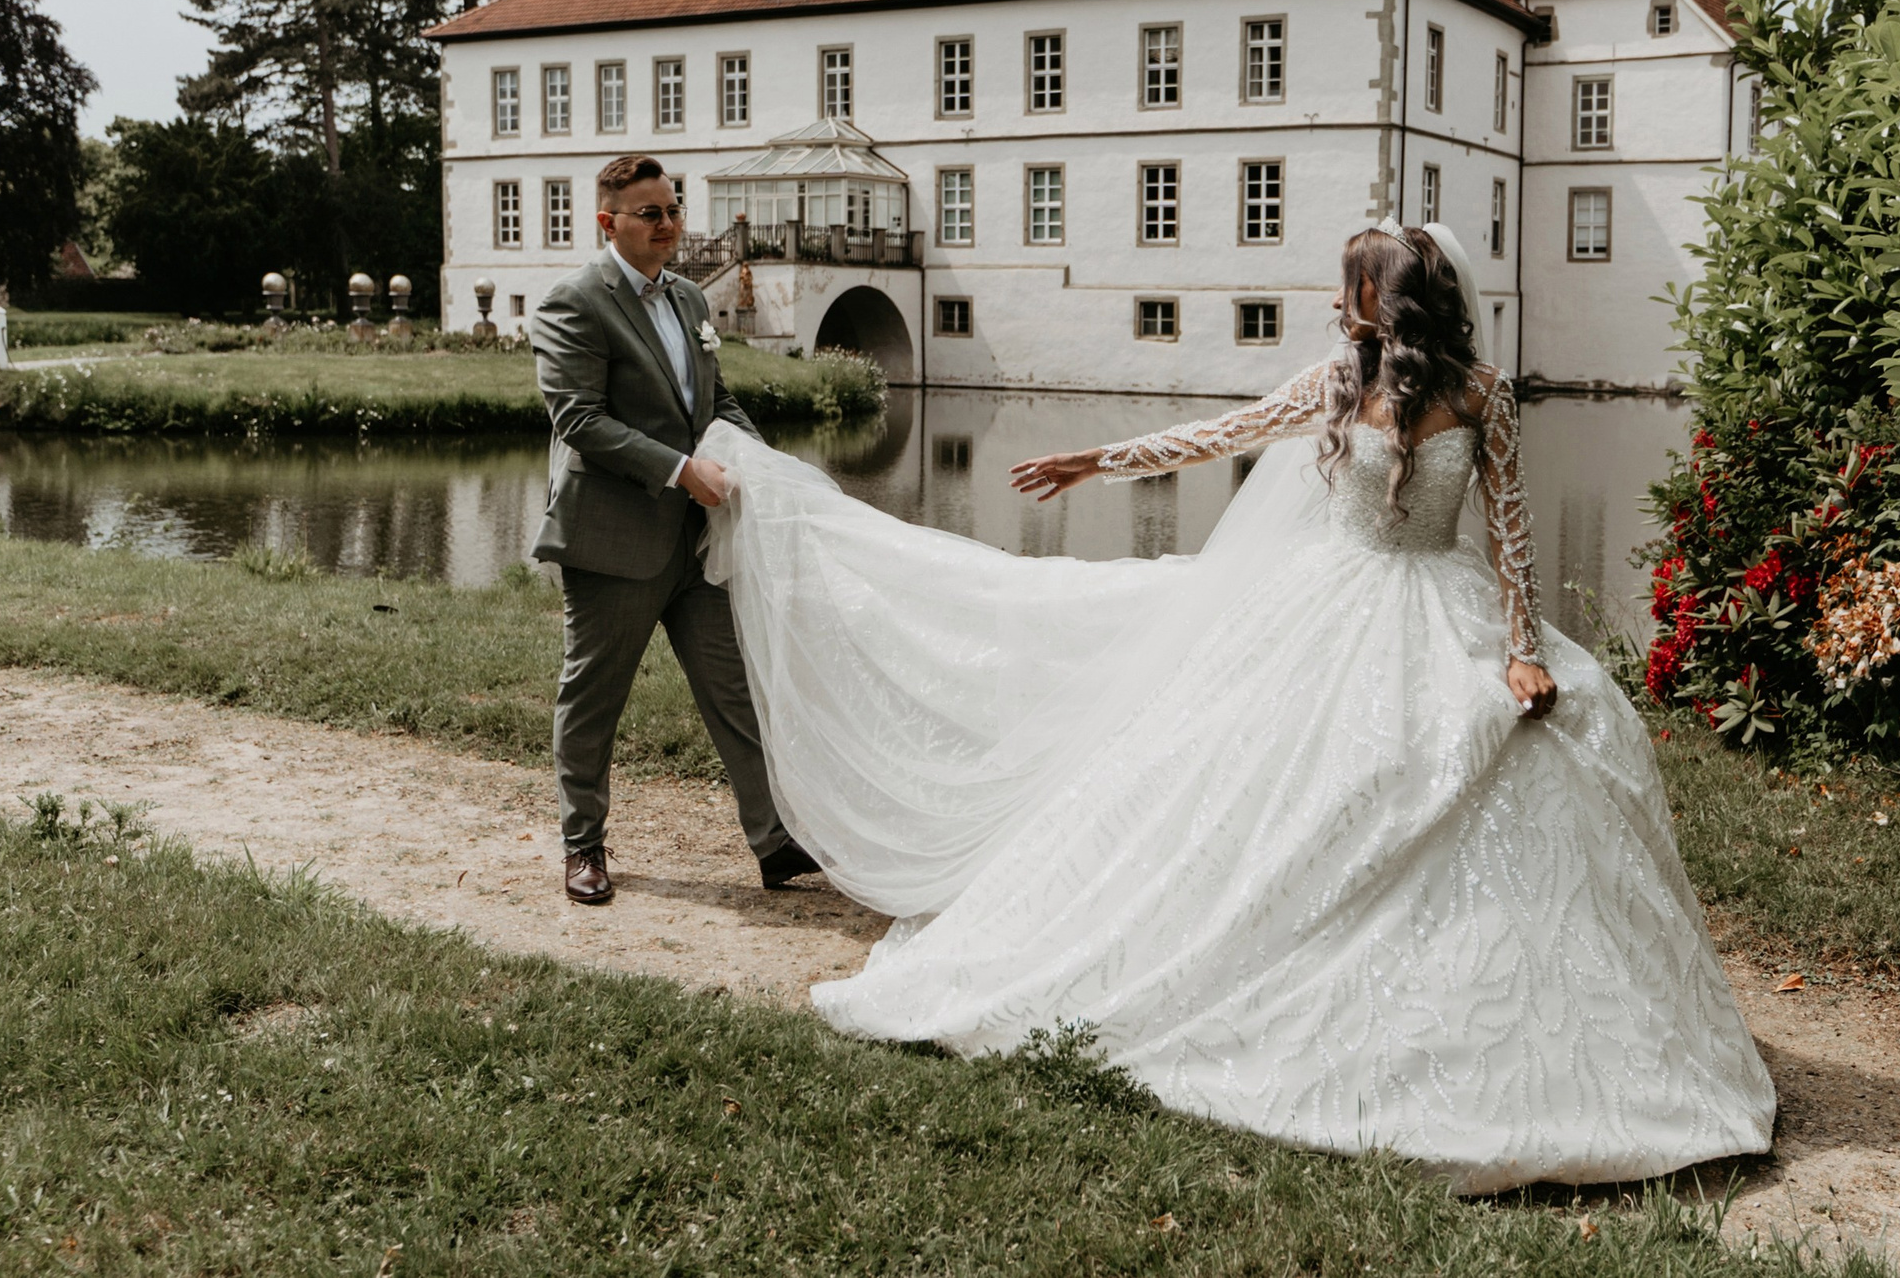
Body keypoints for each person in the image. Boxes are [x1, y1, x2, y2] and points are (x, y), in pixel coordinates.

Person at [693, 219, 1775, 1192]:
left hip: (1441, 605)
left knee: (1536, 741)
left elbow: (1513, 534)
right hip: (1327, 606)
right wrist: (1097, 461)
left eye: (1346, 285)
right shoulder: (1332, 384)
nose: (1332, 301)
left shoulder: (1481, 395)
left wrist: (1524, 649)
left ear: (1385, 301)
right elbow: (1217, 434)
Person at [528, 154, 820, 904]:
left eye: (674, 209)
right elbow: (581, 421)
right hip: (612, 537)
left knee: (734, 690)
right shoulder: (574, 302)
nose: (669, 224)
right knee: (594, 697)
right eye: (650, 213)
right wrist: (686, 470)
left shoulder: (690, 297)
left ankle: (774, 840)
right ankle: (583, 845)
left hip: (695, 541)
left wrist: (758, 465)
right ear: (608, 222)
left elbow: (714, 402)